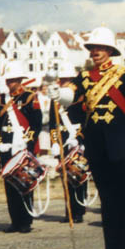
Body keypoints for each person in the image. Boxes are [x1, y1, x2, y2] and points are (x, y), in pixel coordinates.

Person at [49, 27, 125, 249]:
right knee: (106, 200)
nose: (96, 52)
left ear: (110, 51)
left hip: (120, 146)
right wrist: (58, 93)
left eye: (100, 48)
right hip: (96, 146)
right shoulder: (84, 76)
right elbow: (72, 99)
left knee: (122, 200)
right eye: (92, 48)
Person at [0, 62, 43, 233]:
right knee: (10, 184)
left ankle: (25, 221)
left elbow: (36, 124)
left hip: (22, 146)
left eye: (13, 80)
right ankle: (15, 220)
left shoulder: (29, 97)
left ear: (20, 80)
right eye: (8, 80)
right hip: (7, 145)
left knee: (24, 183)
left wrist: (27, 143)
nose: (10, 83)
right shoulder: (1, 100)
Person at [50, 62, 88, 224]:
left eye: (68, 80)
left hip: (78, 141)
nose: (65, 83)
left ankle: (79, 209)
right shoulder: (56, 100)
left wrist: (79, 139)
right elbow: (53, 123)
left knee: (79, 176)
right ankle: (70, 212)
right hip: (64, 142)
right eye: (63, 80)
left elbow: (87, 122)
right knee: (66, 178)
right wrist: (55, 142)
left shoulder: (82, 99)